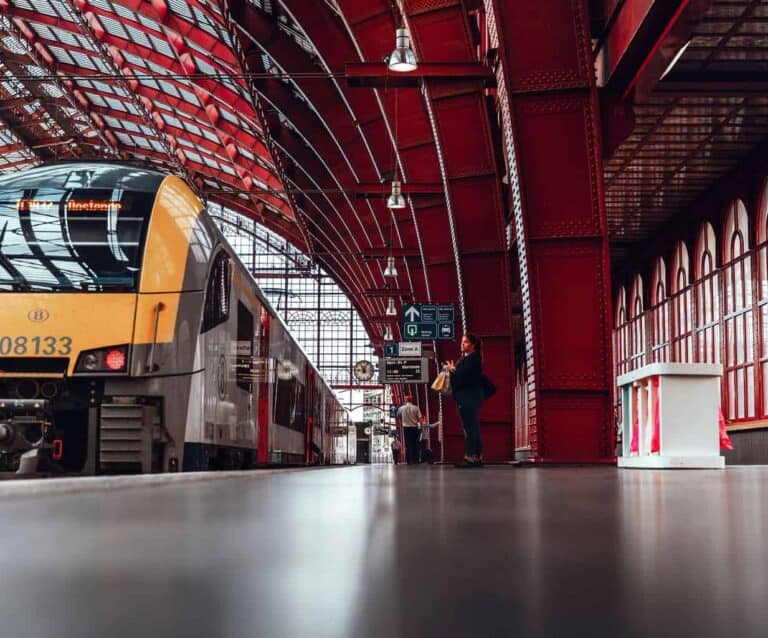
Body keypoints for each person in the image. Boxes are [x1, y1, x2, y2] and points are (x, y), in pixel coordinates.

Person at [445, 333, 485, 466]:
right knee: (474, 427)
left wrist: (452, 370)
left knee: (469, 428)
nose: (463, 344)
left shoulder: (472, 359)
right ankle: (477, 457)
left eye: (466, 342)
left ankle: (469, 457)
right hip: (470, 396)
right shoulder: (470, 358)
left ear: (473, 345)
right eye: (462, 341)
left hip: (467, 397)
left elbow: (464, 377)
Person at [397, 395, 424, 464]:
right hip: (414, 428)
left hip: (406, 428)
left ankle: (409, 460)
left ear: (406, 400)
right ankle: (416, 459)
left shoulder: (401, 408)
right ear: (412, 400)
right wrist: (421, 427)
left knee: (408, 444)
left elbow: (398, 416)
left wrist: (402, 422)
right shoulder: (416, 408)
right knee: (415, 443)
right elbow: (420, 419)